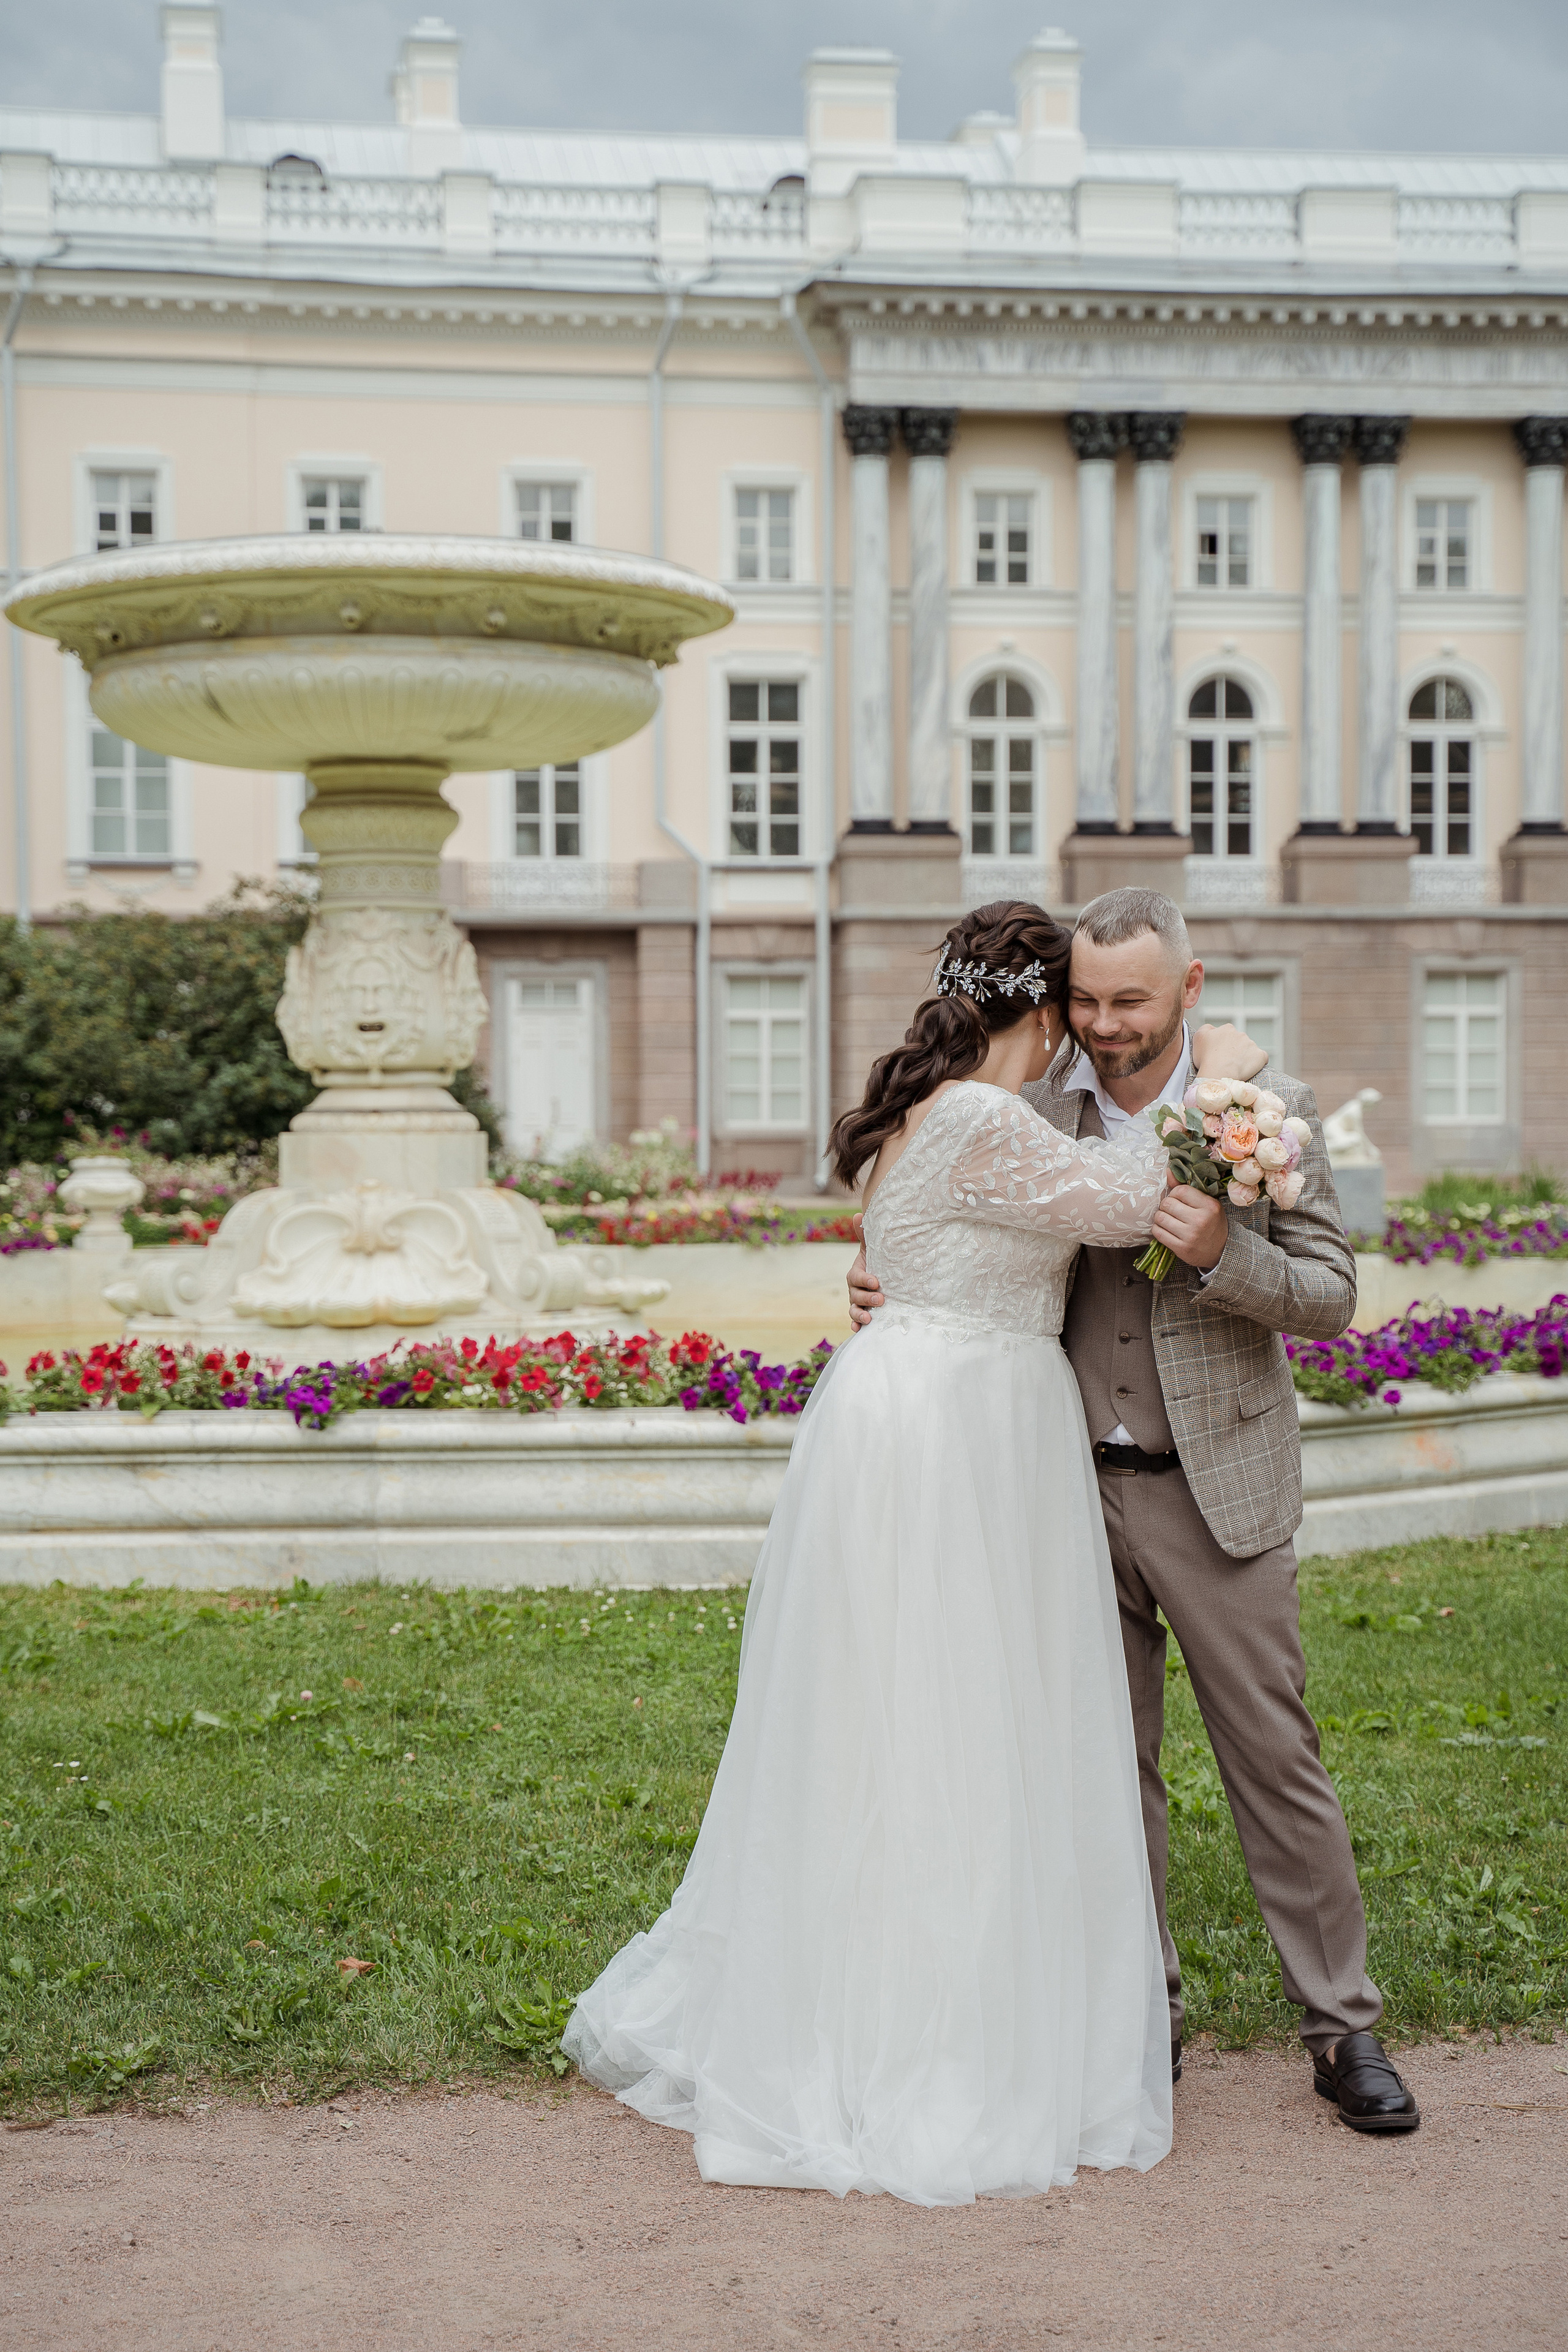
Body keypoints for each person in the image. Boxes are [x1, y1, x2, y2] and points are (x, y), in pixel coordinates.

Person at [565, 901, 1270, 2206]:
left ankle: (883, 1987)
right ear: (1048, 1011)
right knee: (950, 1717)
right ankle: (924, 2035)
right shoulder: (981, 1119)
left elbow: (929, 1249)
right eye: (1082, 1009)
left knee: (900, 1717)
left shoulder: (924, 1116)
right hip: (956, 1425)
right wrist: (1223, 1074)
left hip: (917, 1403)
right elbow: (1138, 1203)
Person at [850, 886, 1420, 2136]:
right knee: (1101, 1777)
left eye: (1130, 1002)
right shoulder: (1016, 1109)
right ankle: (1136, 2014)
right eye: (1087, 1002)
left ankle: (1342, 2030)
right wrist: (886, 1286)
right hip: (1051, 1496)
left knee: (1275, 1768)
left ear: (1188, 988)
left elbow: (1328, 1296)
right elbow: (952, 1239)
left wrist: (1224, 1252)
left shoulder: (1270, 1117)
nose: (1106, 1028)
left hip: (1214, 1491)